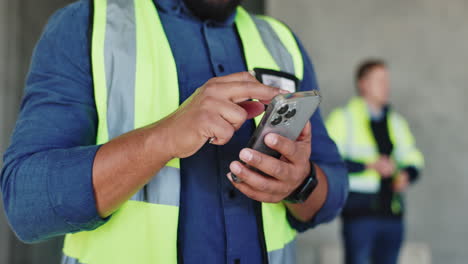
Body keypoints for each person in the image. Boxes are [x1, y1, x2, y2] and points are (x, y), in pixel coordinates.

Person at [1, 0, 348, 263]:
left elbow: (332, 189)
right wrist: (163, 138)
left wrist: (299, 183)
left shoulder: (281, 41)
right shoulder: (88, 24)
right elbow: (26, 204)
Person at [326, 59, 424, 264]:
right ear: (363, 83)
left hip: (392, 212)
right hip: (359, 213)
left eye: (387, 80)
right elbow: (328, 160)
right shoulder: (343, 118)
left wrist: (406, 174)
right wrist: (369, 166)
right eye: (379, 80)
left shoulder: (397, 122)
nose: (386, 86)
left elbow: (414, 158)